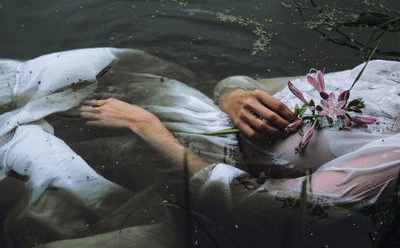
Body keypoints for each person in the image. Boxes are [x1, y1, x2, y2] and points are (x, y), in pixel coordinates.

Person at [0, 47, 399, 247]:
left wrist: (150, 129)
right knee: (69, 74)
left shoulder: (394, 155)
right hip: (199, 115)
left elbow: (263, 208)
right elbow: (247, 82)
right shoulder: (386, 72)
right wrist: (235, 95)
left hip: (188, 167)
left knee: (35, 156)